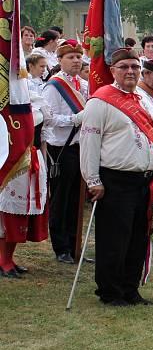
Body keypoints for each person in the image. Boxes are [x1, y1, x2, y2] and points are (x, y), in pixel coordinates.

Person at [80, 48, 153, 306]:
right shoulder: (100, 101)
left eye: (134, 67)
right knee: (114, 238)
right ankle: (110, 291)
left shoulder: (143, 99)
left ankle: (130, 288)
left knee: (138, 237)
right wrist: (92, 180)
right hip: (115, 180)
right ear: (113, 71)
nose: (130, 71)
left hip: (144, 179)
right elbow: (89, 143)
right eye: (124, 67)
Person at [41, 40, 87, 264]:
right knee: (61, 199)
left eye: (78, 56)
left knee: (77, 199)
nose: (76, 61)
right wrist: (74, 119)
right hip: (61, 148)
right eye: (71, 57)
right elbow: (48, 118)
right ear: (60, 60)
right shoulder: (54, 86)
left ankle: (74, 243)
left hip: (81, 147)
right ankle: (61, 247)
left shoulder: (82, 85)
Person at [0, 78, 51, 277]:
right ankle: (3, 260)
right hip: (10, 161)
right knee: (7, 213)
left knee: (21, 211)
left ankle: (8, 258)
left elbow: (44, 130)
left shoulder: (35, 102)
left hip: (32, 159)